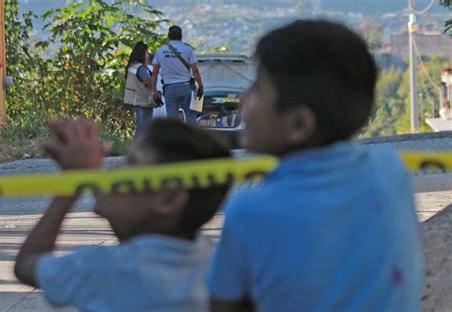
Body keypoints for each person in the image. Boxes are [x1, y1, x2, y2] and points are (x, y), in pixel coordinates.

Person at [208, 20, 423, 311]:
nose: (242, 98)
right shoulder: (390, 170)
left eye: (256, 88)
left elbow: (221, 306)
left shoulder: (249, 211)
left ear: (298, 124)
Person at [14, 118, 231, 311]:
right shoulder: (218, 264)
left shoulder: (103, 270)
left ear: (169, 200)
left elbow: (27, 264)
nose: (114, 169)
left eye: (132, 162)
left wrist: (71, 187)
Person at [151, 25, 204, 125]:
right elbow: (195, 71)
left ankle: (172, 140)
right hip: (186, 87)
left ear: (168, 37)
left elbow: (154, 73)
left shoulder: (160, 51)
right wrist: (200, 86)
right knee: (191, 116)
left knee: (171, 120)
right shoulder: (188, 50)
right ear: (181, 37)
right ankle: (192, 139)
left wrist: (153, 91)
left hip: (169, 88)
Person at [124, 41, 161, 135]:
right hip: (144, 102)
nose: (148, 55)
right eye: (147, 53)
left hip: (136, 101)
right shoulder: (142, 69)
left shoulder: (132, 66)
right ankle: (140, 148)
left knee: (139, 129)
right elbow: (150, 83)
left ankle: (135, 148)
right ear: (142, 54)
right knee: (144, 131)